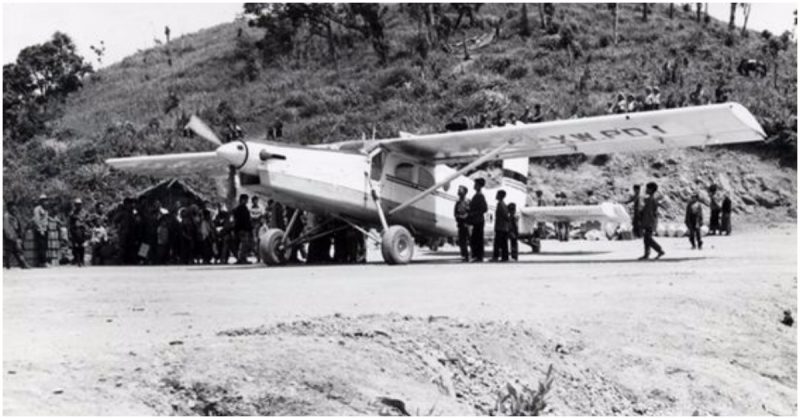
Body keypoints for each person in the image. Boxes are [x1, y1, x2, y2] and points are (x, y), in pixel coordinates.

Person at [639, 182, 665, 260]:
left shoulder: (651, 199)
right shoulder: (650, 199)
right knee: (646, 239)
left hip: (650, 222)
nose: (646, 190)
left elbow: (649, 213)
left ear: (650, 190)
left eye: (647, 188)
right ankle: (646, 254)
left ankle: (659, 250)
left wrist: (646, 223)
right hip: (649, 221)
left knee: (648, 238)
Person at [3, 202, 30, 269]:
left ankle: (23, 264)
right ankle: (8, 265)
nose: (14, 208)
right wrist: (9, 236)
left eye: (14, 207)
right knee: (9, 252)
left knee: (17, 251)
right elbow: (6, 227)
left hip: (14, 237)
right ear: (9, 208)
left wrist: (19, 236)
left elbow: (18, 227)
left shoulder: (14, 216)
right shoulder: (7, 216)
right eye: (12, 207)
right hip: (9, 237)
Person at [468, 178, 488, 262]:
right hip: (478, 220)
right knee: (476, 238)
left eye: (475, 184)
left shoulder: (479, 196)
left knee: (476, 239)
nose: (474, 185)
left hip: (478, 221)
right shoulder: (478, 195)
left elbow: (484, 208)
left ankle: (477, 256)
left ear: (479, 186)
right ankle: (477, 255)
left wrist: (474, 213)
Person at [233, 194, 253, 264]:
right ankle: (242, 258)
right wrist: (249, 228)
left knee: (242, 244)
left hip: (240, 229)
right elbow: (245, 220)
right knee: (244, 244)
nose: (247, 201)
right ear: (243, 200)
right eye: (246, 199)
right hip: (243, 229)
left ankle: (241, 258)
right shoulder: (243, 209)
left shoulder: (238, 209)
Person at [68, 198, 89, 266]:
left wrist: (87, 230)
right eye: (76, 204)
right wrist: (70, 232)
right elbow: (70, 223)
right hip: (75, 230)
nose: (78, 206)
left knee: (82, 245)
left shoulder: (84, 212)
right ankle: (77, 260)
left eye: (79, 204)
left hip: (82, 230)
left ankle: (82, 260)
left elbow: (87, 220)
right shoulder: (72, 213)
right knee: (75, 246)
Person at [454, 185, 471, 262]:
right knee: (462, 240)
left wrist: (464, 218)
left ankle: (472, 255)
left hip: (466, 223)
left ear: (465, 192)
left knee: (470, 240)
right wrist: (458, 217)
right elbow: (455, 212)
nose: (458, 191)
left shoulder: (467, 202)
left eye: (460, 190)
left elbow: (469, 212)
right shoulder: (458, 202)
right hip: (460, 223)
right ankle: (464, 255)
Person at [492, 190, 510, 262]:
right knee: (503, 243)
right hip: (503, 227)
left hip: (500, 227)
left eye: (497, 194)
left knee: (498, 243)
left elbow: (505, 215)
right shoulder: (503, 204)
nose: (496, 195)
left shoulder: (500, 204)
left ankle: (496, 257)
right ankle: (504, 257)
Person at [32, 194, 50, 267]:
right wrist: (41, 229)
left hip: (45, 229)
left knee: (44, 246)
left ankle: (42, 262)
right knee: (41, 246)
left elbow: (46, 218)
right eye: (44, 200)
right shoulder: (37, 209)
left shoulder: (45, 209)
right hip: (40, 230)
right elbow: (36, 220)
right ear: (40, 201)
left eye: (46, 200)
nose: (45, 202)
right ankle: (42, 262)